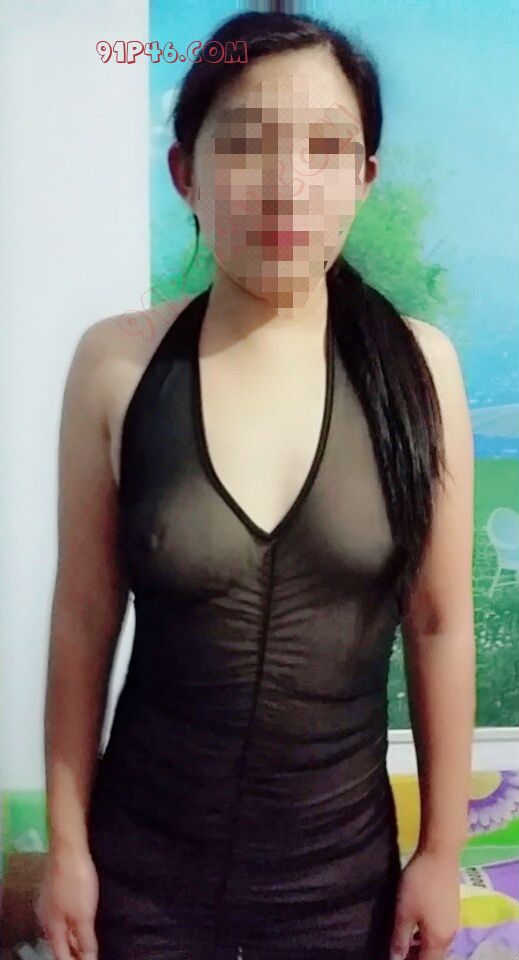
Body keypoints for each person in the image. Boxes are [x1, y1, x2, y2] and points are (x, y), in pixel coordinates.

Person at [36, 11, 476, 960]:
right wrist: (67, 847)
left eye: (325, 147)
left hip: (342, 887)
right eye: (243, 143)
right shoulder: (117, 365)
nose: (286, 182)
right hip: (139, 878)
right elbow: (82, 615)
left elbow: (439, 622)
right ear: (184, 173)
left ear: (364, 177)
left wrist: (441, 853)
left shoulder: (418, 371)